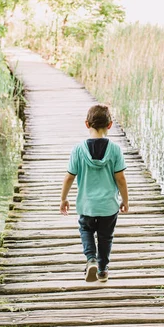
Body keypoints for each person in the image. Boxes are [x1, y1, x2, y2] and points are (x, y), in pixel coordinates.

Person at [59, 104, 129, 282]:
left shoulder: (78, 150)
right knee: (106, 237)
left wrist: (63, 199)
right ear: (110, 125)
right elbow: (120, 178)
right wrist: (125, 200)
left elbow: (69, 177)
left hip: (87, 205)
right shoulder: (115, 150)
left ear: (87, 124)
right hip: (108, 206)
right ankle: (103, 270)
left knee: (86, 230)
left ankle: (91, 259)